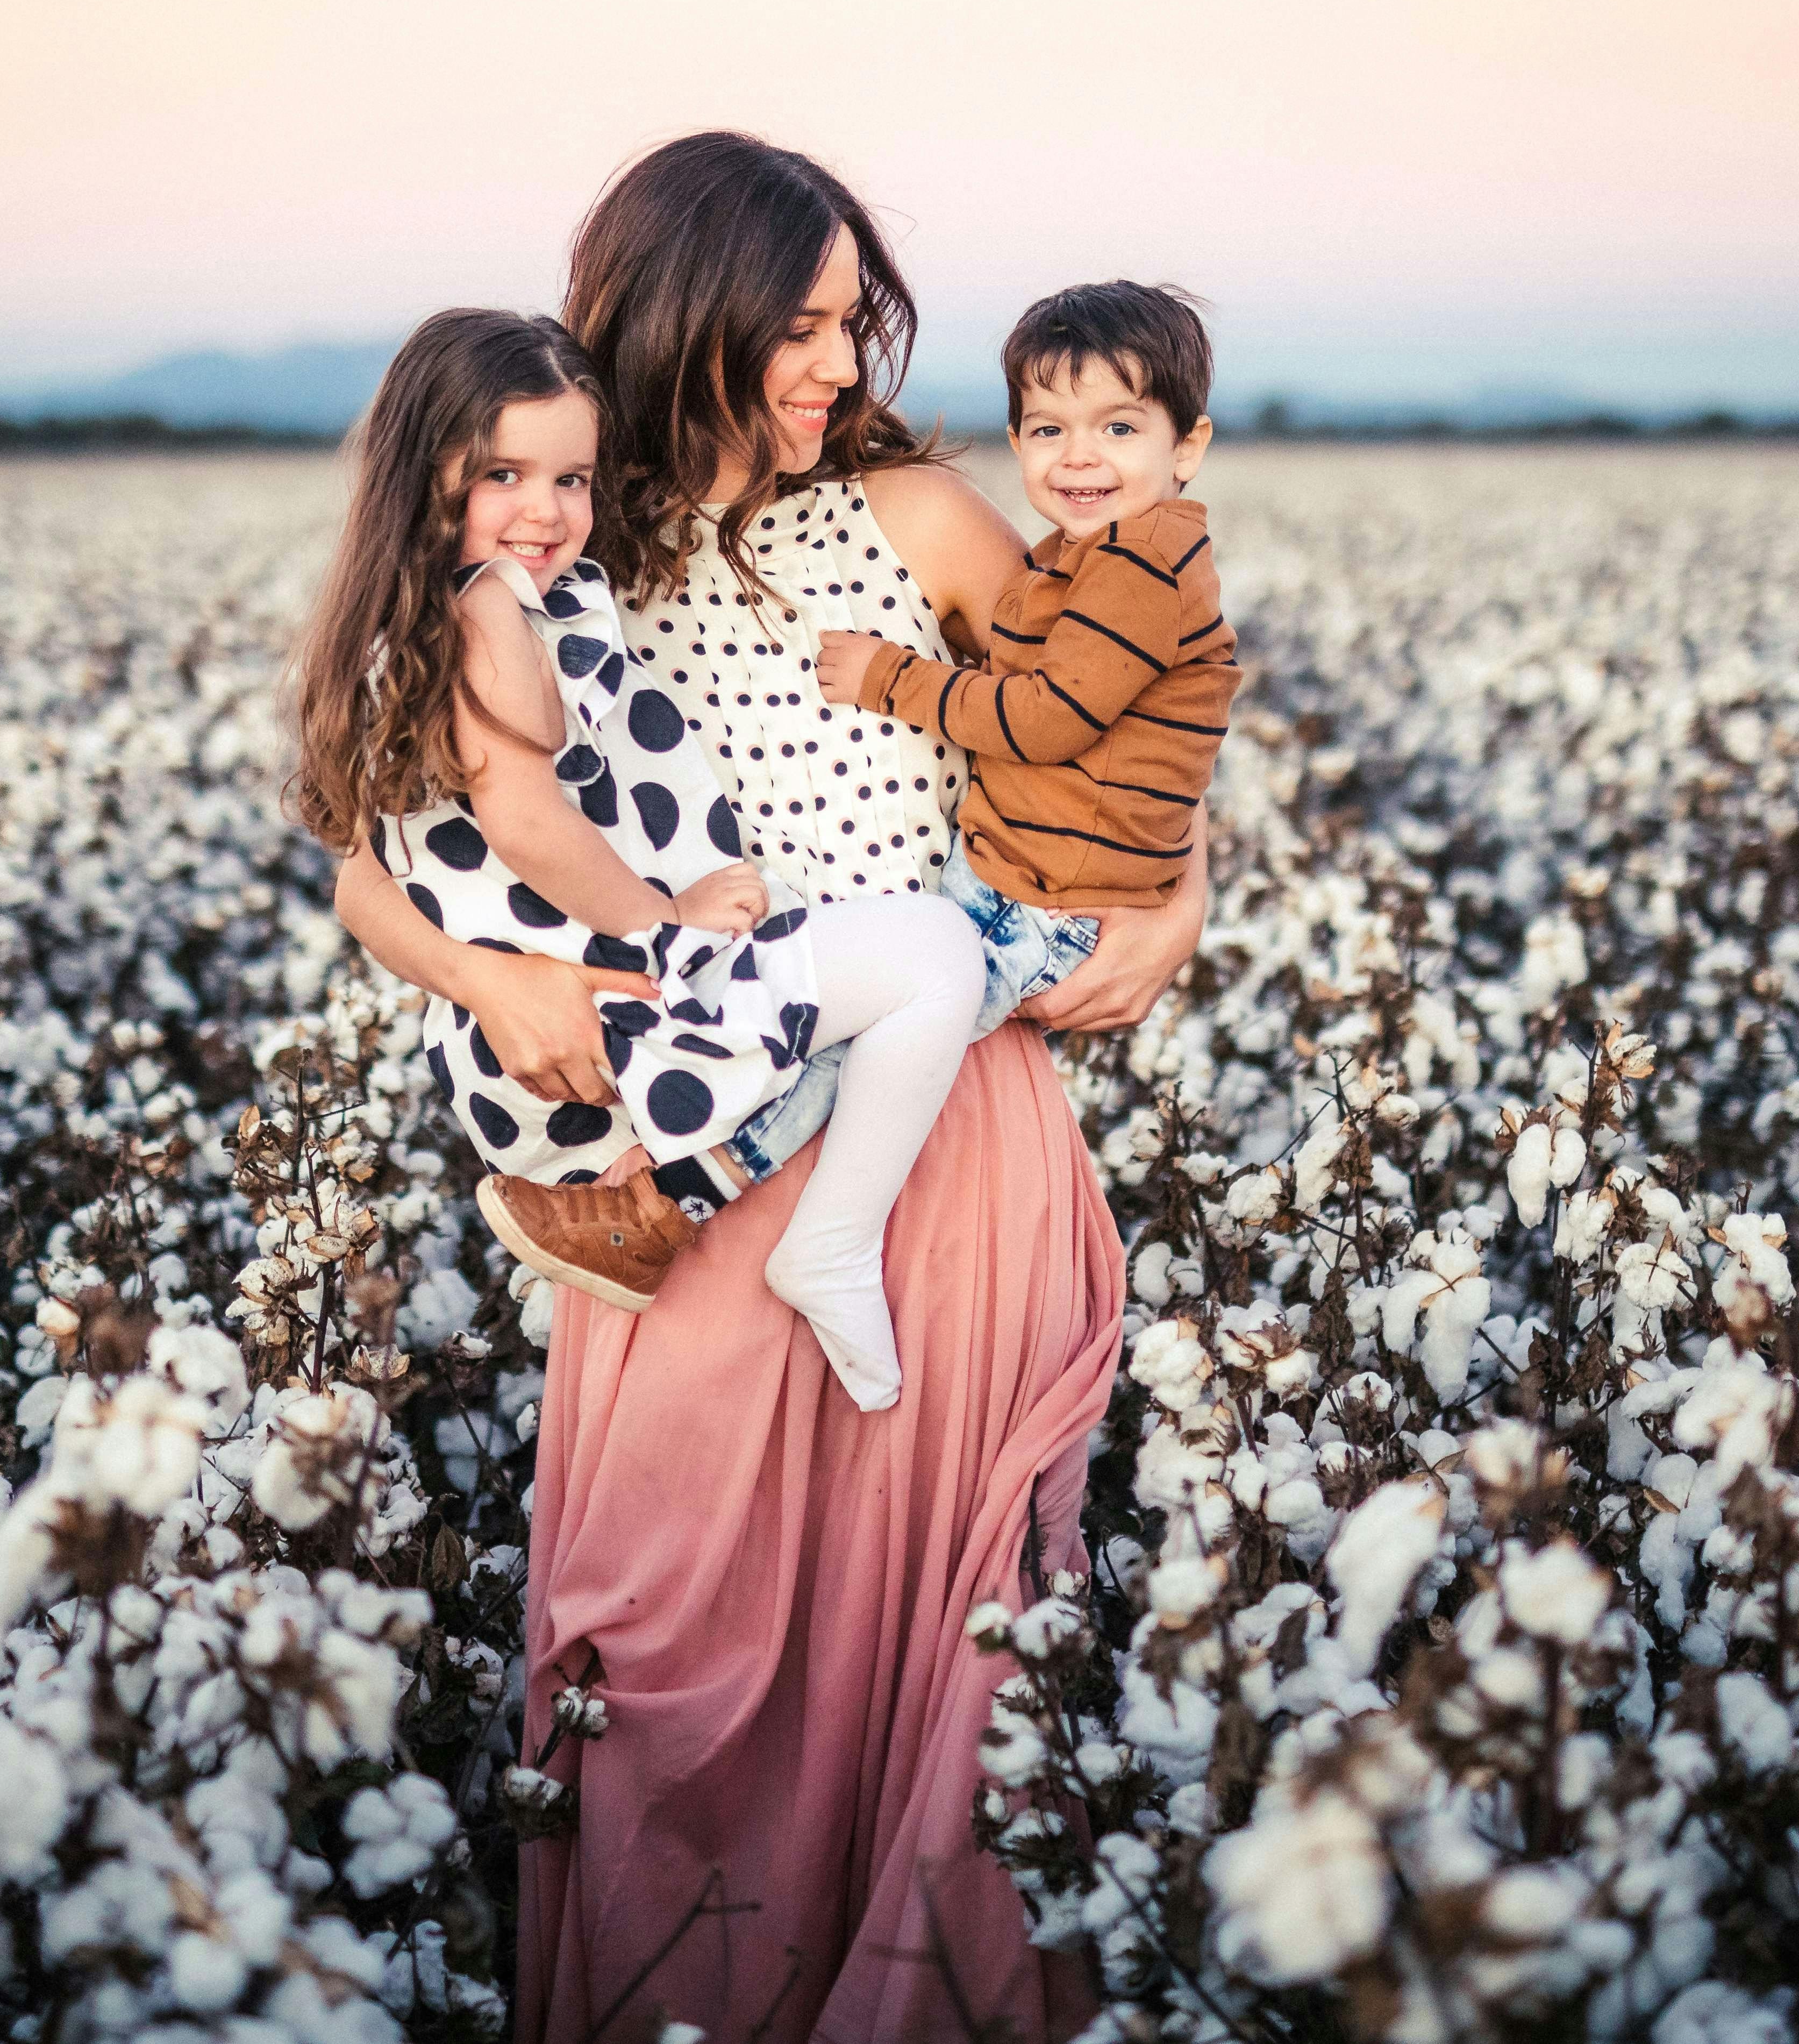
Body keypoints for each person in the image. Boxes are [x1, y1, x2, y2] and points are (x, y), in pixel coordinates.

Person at [329, 133, 1205, 2042]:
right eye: (795, 326)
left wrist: (1180, 886)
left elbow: (1133, 708)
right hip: (687, 1159)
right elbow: (369, 857)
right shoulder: (550, 520)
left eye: (845, 322)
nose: (833, 363)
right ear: (687, 317)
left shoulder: (911, 511)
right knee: (664, 1656)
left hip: (946, 1144)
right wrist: (495, 975)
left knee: (940, 1655)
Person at [282, 305, 986, 1413]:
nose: (547, 511)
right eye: (503, 473)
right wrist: (669, 915)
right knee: (941, 956)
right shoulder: (483, 617)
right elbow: (523, 820)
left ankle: (678, 1204)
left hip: (598, 1002)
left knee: (885, 984)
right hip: (632, 990)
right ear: (423, 476)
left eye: (572, 479)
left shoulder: (433, 616)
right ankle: (826, 1243)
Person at [808, 279, 1239, 1067]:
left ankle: (696, 1183)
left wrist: (889, 677)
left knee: (864, 1047)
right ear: (1017, 442)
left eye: (1117, 425)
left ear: (1188, 445)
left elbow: (1047, 718)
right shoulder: (1090, 559)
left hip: (1037, 896)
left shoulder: (1137, 563)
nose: (1078, 454)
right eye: (1048, 428)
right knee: (866, 1038)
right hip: (1022, 882)